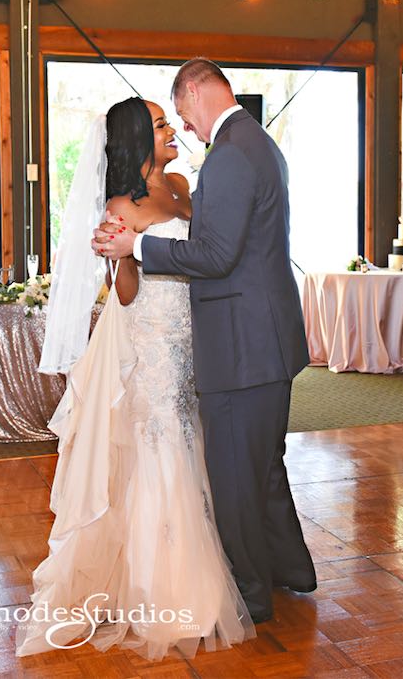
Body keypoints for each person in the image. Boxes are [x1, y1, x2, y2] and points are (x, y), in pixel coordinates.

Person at [15, 96, 256, 661]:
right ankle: (164, 589)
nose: (171, 129)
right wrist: (122, 256)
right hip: (149, 342)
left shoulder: (178, 184)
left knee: (191, 438)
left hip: (193, 335)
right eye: (159, 123)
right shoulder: (120, 204)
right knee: (160, 444)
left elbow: (207, 253)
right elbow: (124, 295)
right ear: (133, 139)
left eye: (170, 120)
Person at [93, 59, 317, 624]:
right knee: (262, 464)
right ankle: (290, 568)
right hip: (251, 339)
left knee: (238, 475)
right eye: (168, 125)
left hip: (242, 345)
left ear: (195, 92)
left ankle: (251, 594)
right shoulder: (255, 143)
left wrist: (138, 249)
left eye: (181, 114)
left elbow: (218, 255)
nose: (185, 128)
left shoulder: (229, 156)